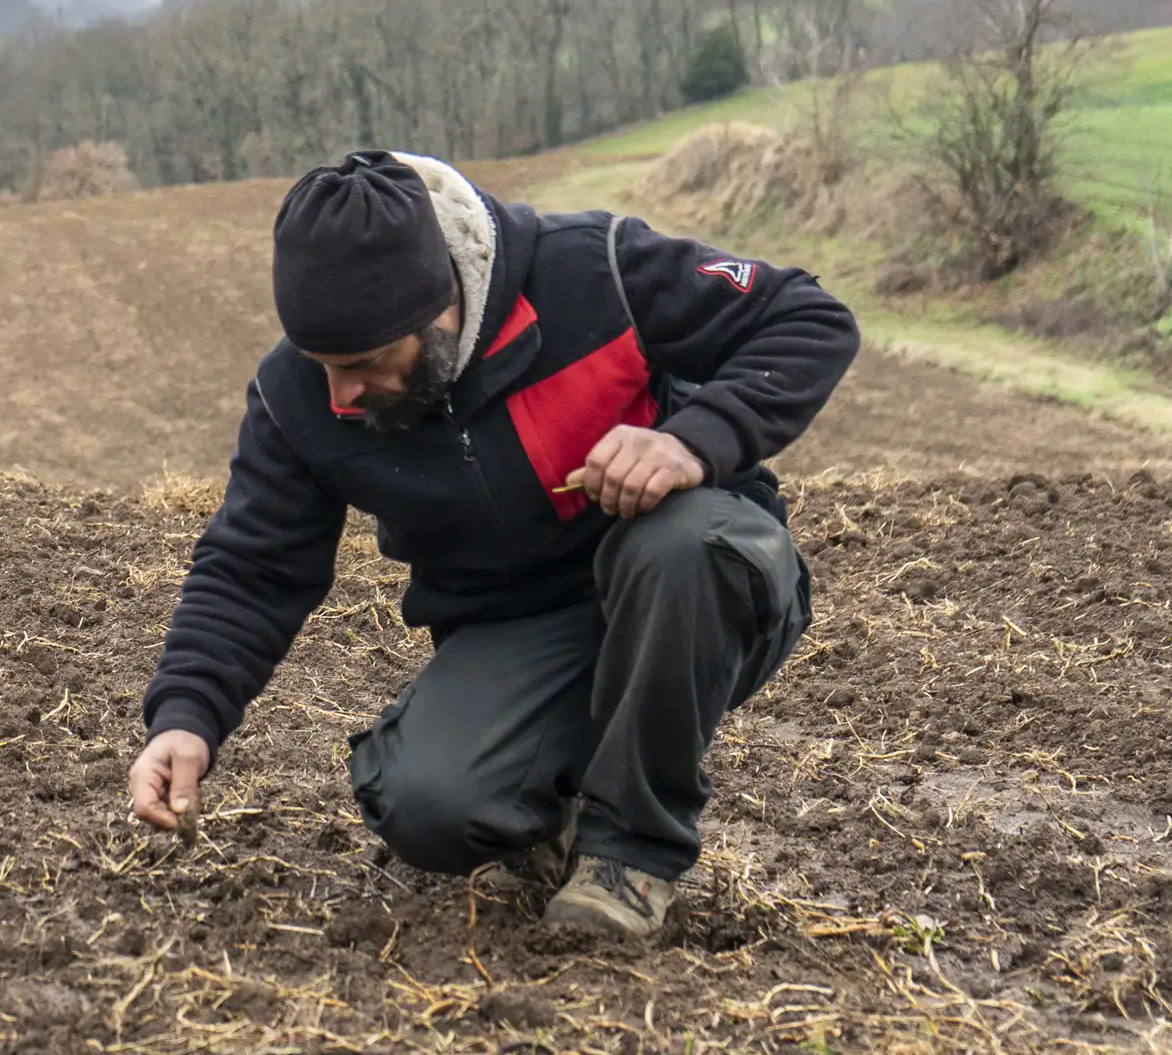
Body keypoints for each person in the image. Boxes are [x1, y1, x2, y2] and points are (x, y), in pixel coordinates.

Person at [127, 150, 858, 940]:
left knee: (682, 546)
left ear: (441, 306)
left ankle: (632, 855)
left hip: (697, 584)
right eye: (320, 365)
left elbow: (808, 318)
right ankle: (555, 816)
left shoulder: (593, 273)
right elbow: (252, 566)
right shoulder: (296, 400)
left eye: (364, 365)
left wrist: (695, 440)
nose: (339, 394)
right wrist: (186, 718)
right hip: (523, 628)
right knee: (428, 804)